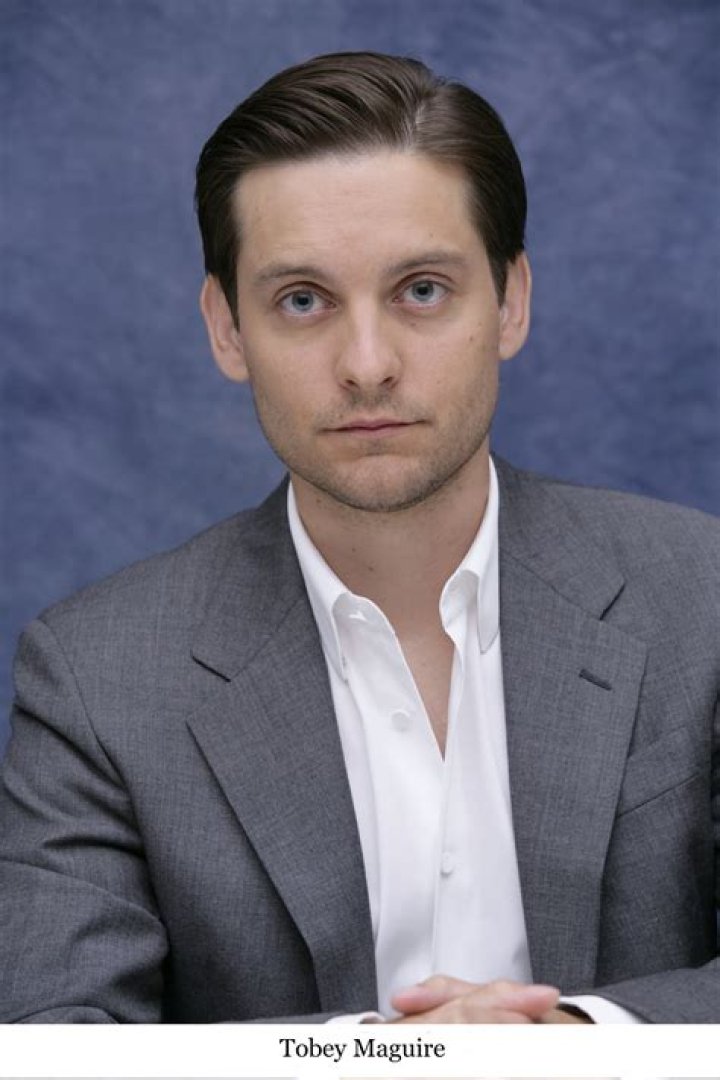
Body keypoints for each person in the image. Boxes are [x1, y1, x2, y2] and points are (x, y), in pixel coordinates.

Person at [0, 51, 717, 1025]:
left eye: (421, 290)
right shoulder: (95, 679)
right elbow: (53, 1045)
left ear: (511, 301)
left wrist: (579, 1042)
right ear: (227, 329)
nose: (368, 364)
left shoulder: (703, 598)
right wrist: (386, 1058)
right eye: (303, 300)